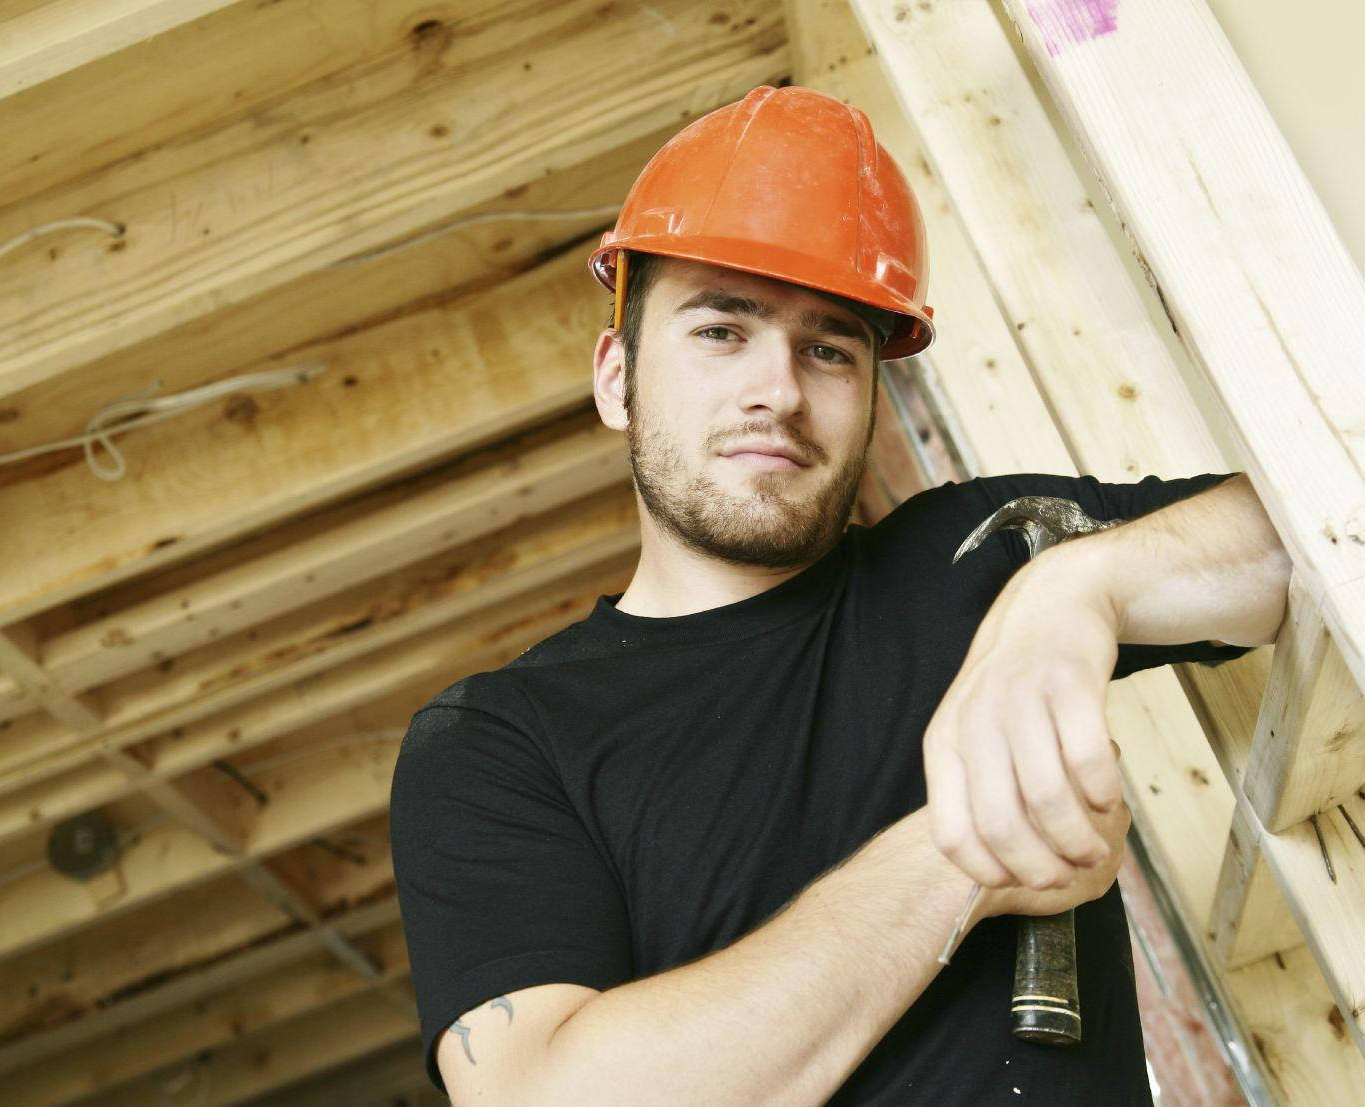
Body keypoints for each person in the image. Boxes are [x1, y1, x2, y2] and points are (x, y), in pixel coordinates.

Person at [387, 85, 1290, 1105]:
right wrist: (967, 854)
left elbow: (1316, 542)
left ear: (871, 393)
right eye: (721, 332)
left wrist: (1083, 587)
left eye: (828, 348)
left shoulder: (975, 557)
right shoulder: (500, 744)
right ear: (615, 377)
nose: (778, 388)